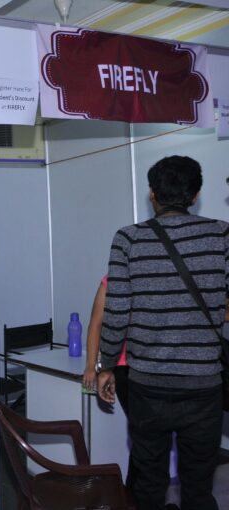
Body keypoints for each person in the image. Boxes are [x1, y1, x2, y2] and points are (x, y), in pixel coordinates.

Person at [97, 155, 227, 510]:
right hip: (203, 385)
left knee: (149, 481)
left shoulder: (128, 239)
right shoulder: (222, 235)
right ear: (195, 195)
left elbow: (117, 312)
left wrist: (107, 366)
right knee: (198, 484)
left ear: (152, 194)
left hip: (147, 384)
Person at [82, 275, 129, 412]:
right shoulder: (112, 279)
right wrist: (91, 365)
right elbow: (95, 324)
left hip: (154, 365)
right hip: (121, 366)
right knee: (138, 420)